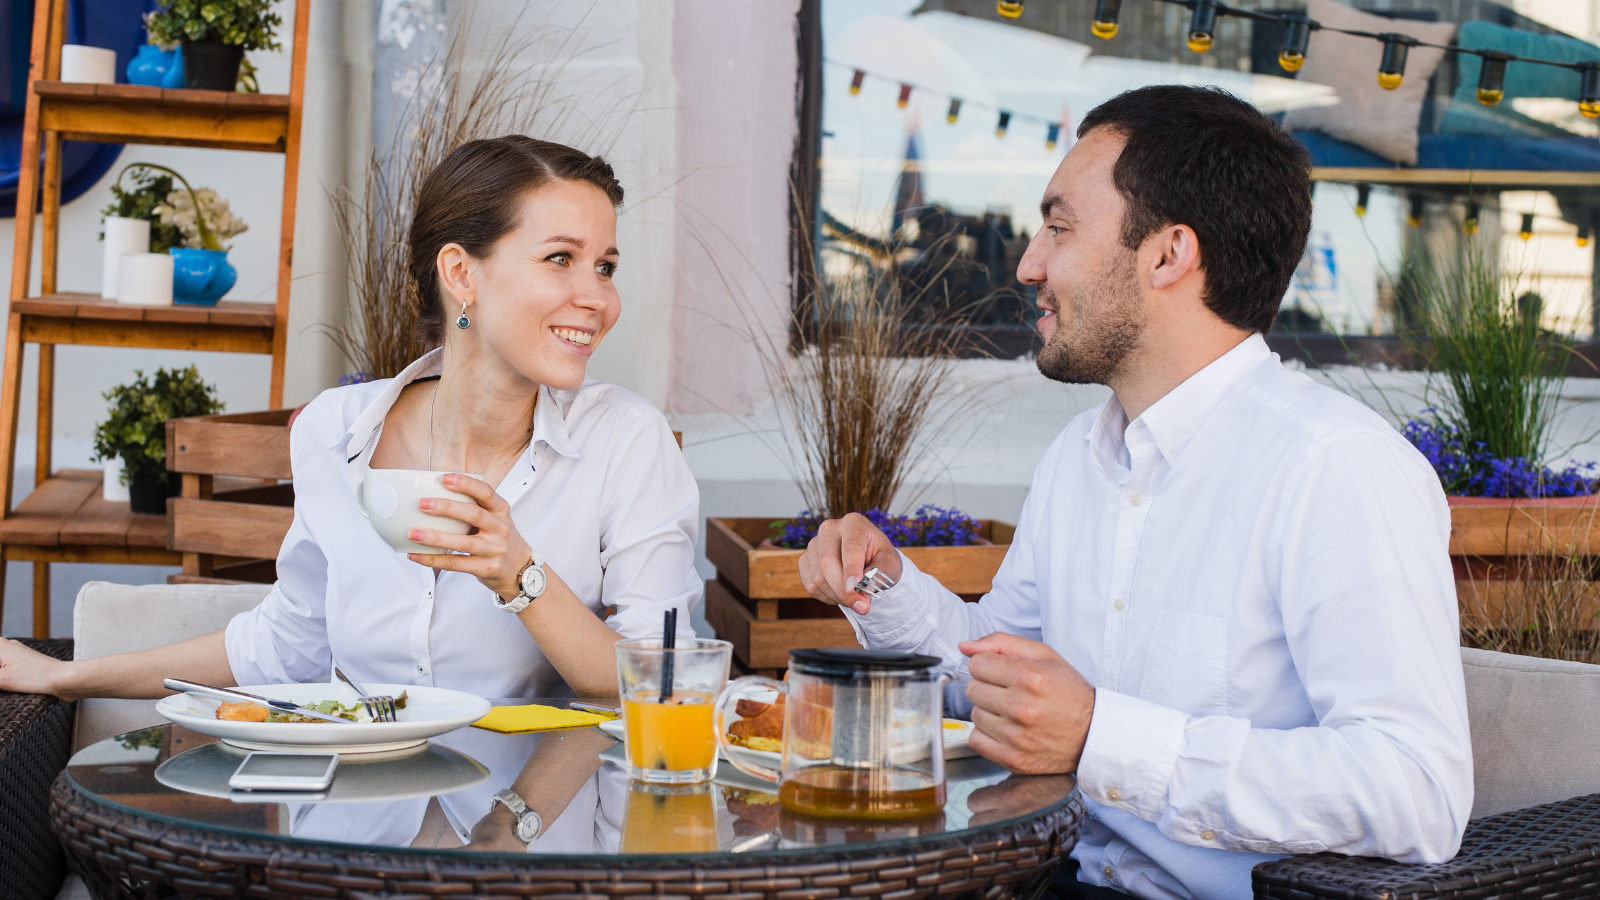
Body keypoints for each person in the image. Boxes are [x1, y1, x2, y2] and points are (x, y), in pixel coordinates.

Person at [797, 85, 1472, 900]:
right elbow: (1000, 675)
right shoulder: (1079, 455)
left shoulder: (1335, 467)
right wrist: (881, 584)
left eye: (1060, 226)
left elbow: (1416, 791)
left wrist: (1098, 735)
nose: (1028, 265)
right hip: (1051, 882)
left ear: (1166, 255)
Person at [0, 136, 700, 708]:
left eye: (605, 267)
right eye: (561, 259)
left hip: (529, 835)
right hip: (352, 826)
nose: (597, 298)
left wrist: (519, 573)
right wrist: (63, 675)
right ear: (461, 274)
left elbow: (663, 680)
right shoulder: (335, 433)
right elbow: (286, 646)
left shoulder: (626, 442)